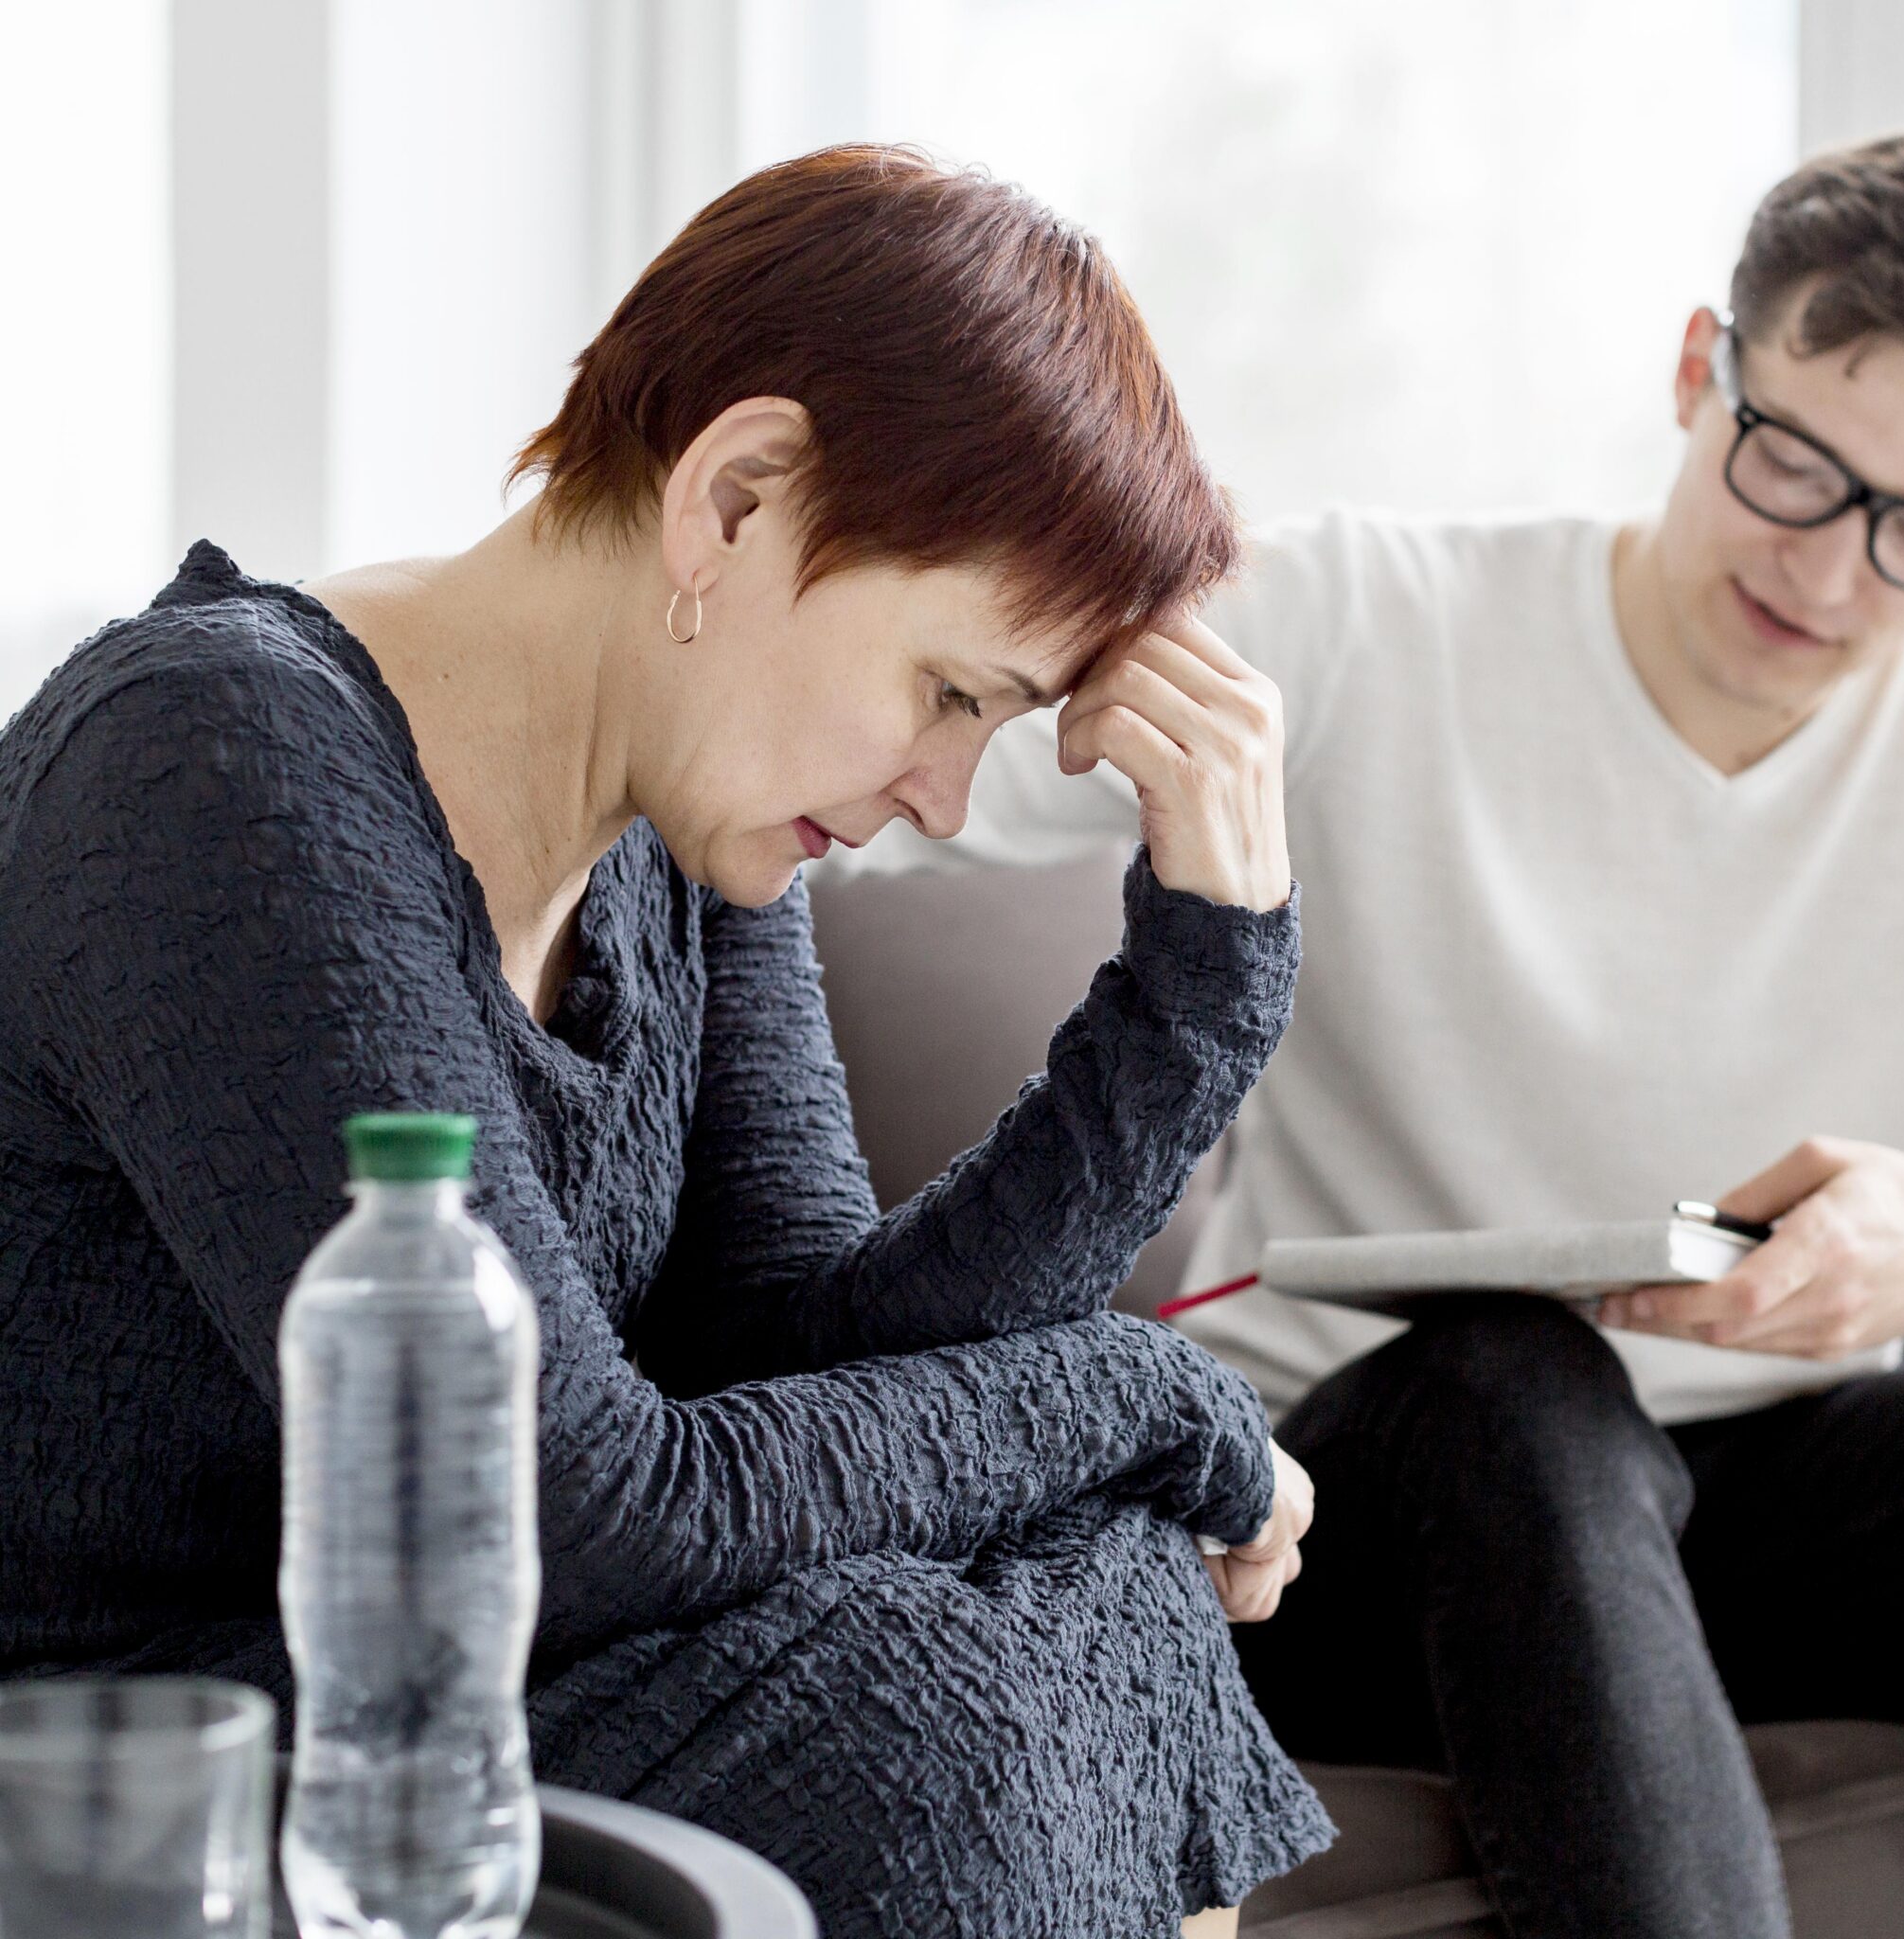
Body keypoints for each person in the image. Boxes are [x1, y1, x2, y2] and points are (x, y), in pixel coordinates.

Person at [822, 135, 1904, 1936]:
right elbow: (904, 760)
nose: (1832, 571)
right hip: (1380, 1509)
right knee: (1523, 1385)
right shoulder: (1366, 613)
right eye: (1795, 466)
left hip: (1776, 1515)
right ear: (1698, 370)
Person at [0, 146, 1332, 1939]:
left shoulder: (686, 838)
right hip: (144, 1743)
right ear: (737, 498)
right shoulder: (217, 760)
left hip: (485, 1677)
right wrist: (1148, 1393)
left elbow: (812, 1371)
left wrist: (1206, 976)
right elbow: (584, 1503)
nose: (942, 798)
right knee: (924, 1725)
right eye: (950, 694)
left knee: (1108, 1575)